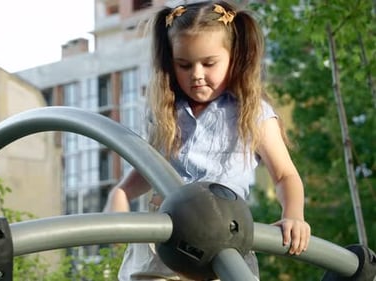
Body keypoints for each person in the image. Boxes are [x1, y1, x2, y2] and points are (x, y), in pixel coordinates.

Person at [103, 0, 311, 280]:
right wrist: (121, 193)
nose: (197, 75)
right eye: (184, 65)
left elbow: (285, 175)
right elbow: (149, 167)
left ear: (234, 58)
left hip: (221, 236)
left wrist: (294, 215)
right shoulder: (166, 111)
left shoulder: (252, 113)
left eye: (209, 63)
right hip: (164, 234)